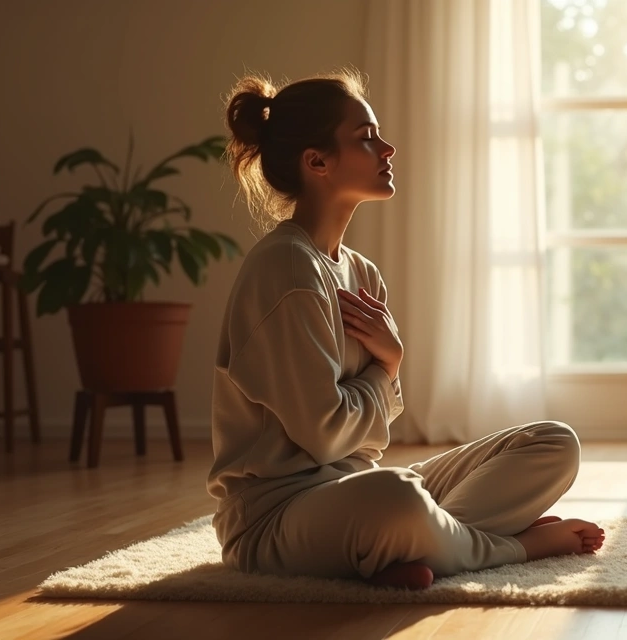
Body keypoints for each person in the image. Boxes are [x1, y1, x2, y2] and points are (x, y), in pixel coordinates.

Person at [207, 68, 604, 590]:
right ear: (317, 162)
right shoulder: (286, 268)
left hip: (355, 491)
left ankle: (419, 547)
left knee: (553, 442)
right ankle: (512, 547)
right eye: (367, 138)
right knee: (396, 497)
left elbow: (367, 443)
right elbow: (326, 438)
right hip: (274, 522)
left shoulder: (361, 273)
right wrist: (388, 366)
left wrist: (384, 371)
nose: (388, 148)